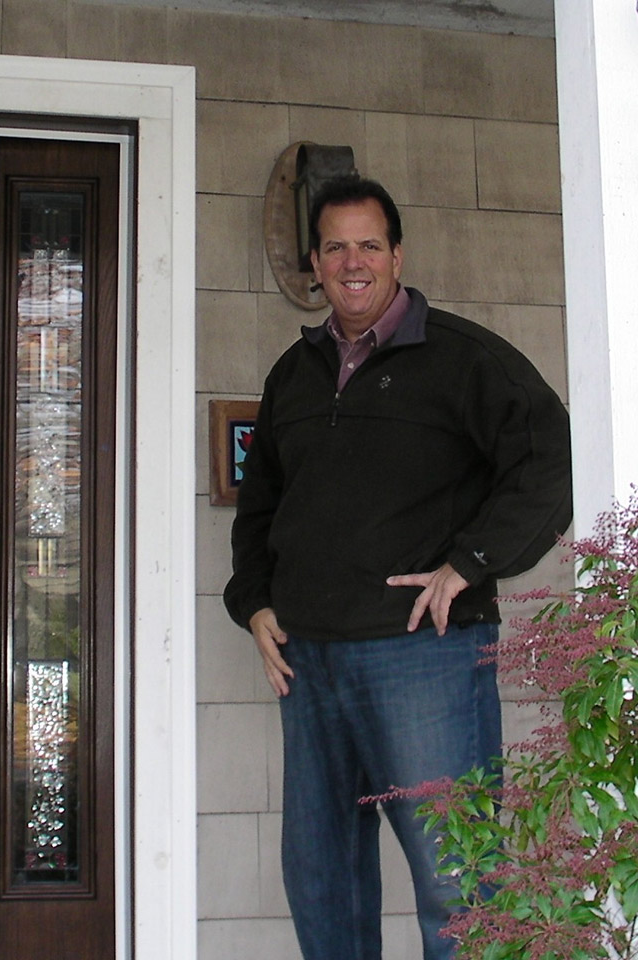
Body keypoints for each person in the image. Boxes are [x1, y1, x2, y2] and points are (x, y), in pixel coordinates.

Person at [223, 176, 572, 960]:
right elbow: (261, 507)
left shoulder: (461, 359)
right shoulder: (295, 374)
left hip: (424, 656)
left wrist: (471, 563)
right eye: (336, 246)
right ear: (314, 262)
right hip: (308, 663)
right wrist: (254, 603)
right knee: (322, 883)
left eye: (369, 245)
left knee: (458, 883)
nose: (353, 262)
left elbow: (553, 456)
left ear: (397, 255)